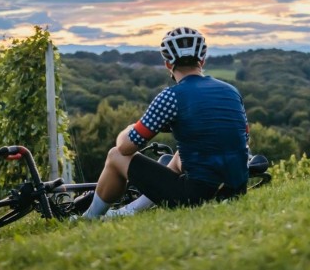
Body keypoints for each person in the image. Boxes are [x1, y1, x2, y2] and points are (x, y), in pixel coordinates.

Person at [80, 27, 250, 219]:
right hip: (235, 190)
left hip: (196, 197)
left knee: (115, 155)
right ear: (202, 60)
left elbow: (126, 148)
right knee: (180, 155)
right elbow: (243, 139)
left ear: (168, 64)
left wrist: (127, 130)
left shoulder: (171, 97)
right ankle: (130, 211)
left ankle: (89, 218)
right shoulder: (231, 91)